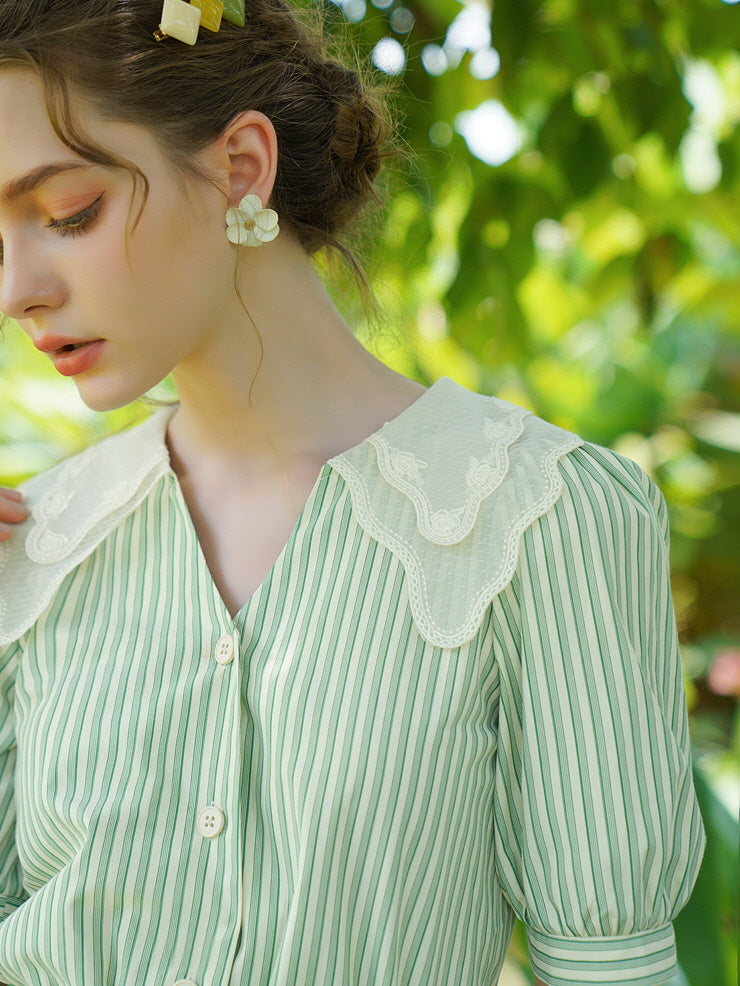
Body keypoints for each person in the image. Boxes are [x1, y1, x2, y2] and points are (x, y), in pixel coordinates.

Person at [0, 1, 706, 984]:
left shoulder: (543, 517)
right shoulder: (29, 549)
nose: (16, 288)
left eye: (66, 212)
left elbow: (608, 962)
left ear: (239, 167)